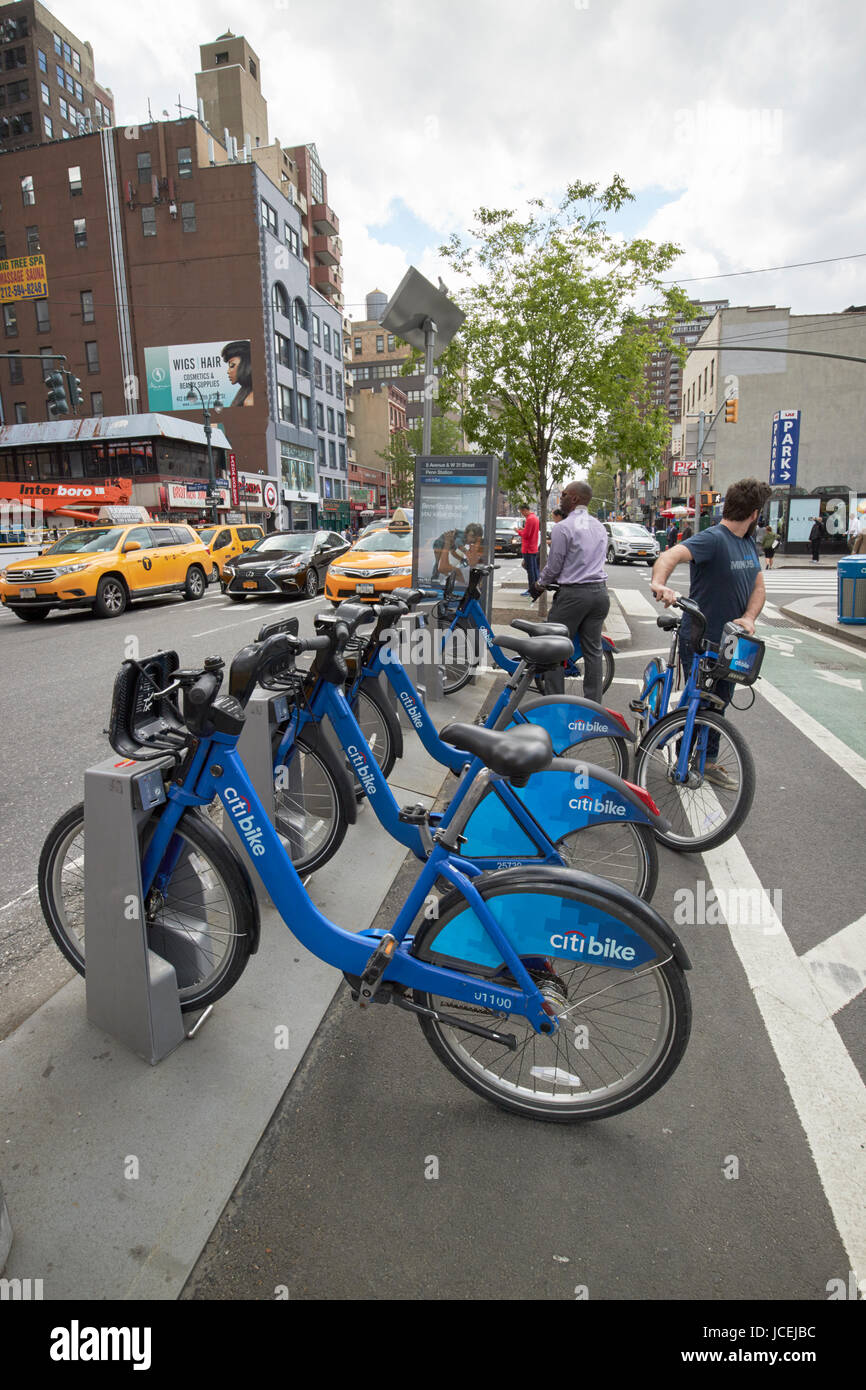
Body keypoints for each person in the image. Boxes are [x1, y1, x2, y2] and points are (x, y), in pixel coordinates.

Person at [651, 477, 770, 789]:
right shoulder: (714, 539)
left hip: (734, 641)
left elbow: (758, 586)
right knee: (702, 701)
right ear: (755, 513)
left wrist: (748, 616)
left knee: (719, 702)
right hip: (703, 638)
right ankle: (682, 760)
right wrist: (660, 583)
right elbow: (670, 556)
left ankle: (708, 761)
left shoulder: (746, 544)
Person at [528, 480, 609, 702]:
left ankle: (554, 702)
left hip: (574, 595)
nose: (560, 498)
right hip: (600, 594)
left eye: (563, 494)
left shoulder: (563, 527)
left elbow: (554, 566)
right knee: (593, 651)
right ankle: (593, 704)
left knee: (554, 645)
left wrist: (539, 585)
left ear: (574, 498)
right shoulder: (600, 526)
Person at [516, 503, 540, 596]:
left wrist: (518, 531)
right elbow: (530, 531)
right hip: (533, 547)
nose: (522, 513)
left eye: (522, 511)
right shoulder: (535, 518)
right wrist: (524, 529)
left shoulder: (529, 519)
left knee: (530, 570)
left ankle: (531, 590)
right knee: (534, 569)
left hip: (528, 548)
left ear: (525, 510)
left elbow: (526, 535)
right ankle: (536, 588)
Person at [221, 340, 254, 407]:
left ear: (246, 364)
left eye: (232, 365)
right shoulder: (244, 392)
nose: (228, 371)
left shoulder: (249, 401)